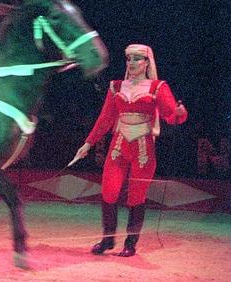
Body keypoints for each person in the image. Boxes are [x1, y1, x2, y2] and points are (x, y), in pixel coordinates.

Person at [74, 44, 187, 257]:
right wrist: (88, 143)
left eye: (137, 59)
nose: (132, 63)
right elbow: (105, 119)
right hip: (118, 146)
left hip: (143, 148)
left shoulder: (157, 87)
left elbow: (170, 116)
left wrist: (180, 113)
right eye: (128, 59)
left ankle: (130, 243)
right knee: (108, 192)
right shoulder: (116, 86)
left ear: (147, 62)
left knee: (136, 197)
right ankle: (107, 241)